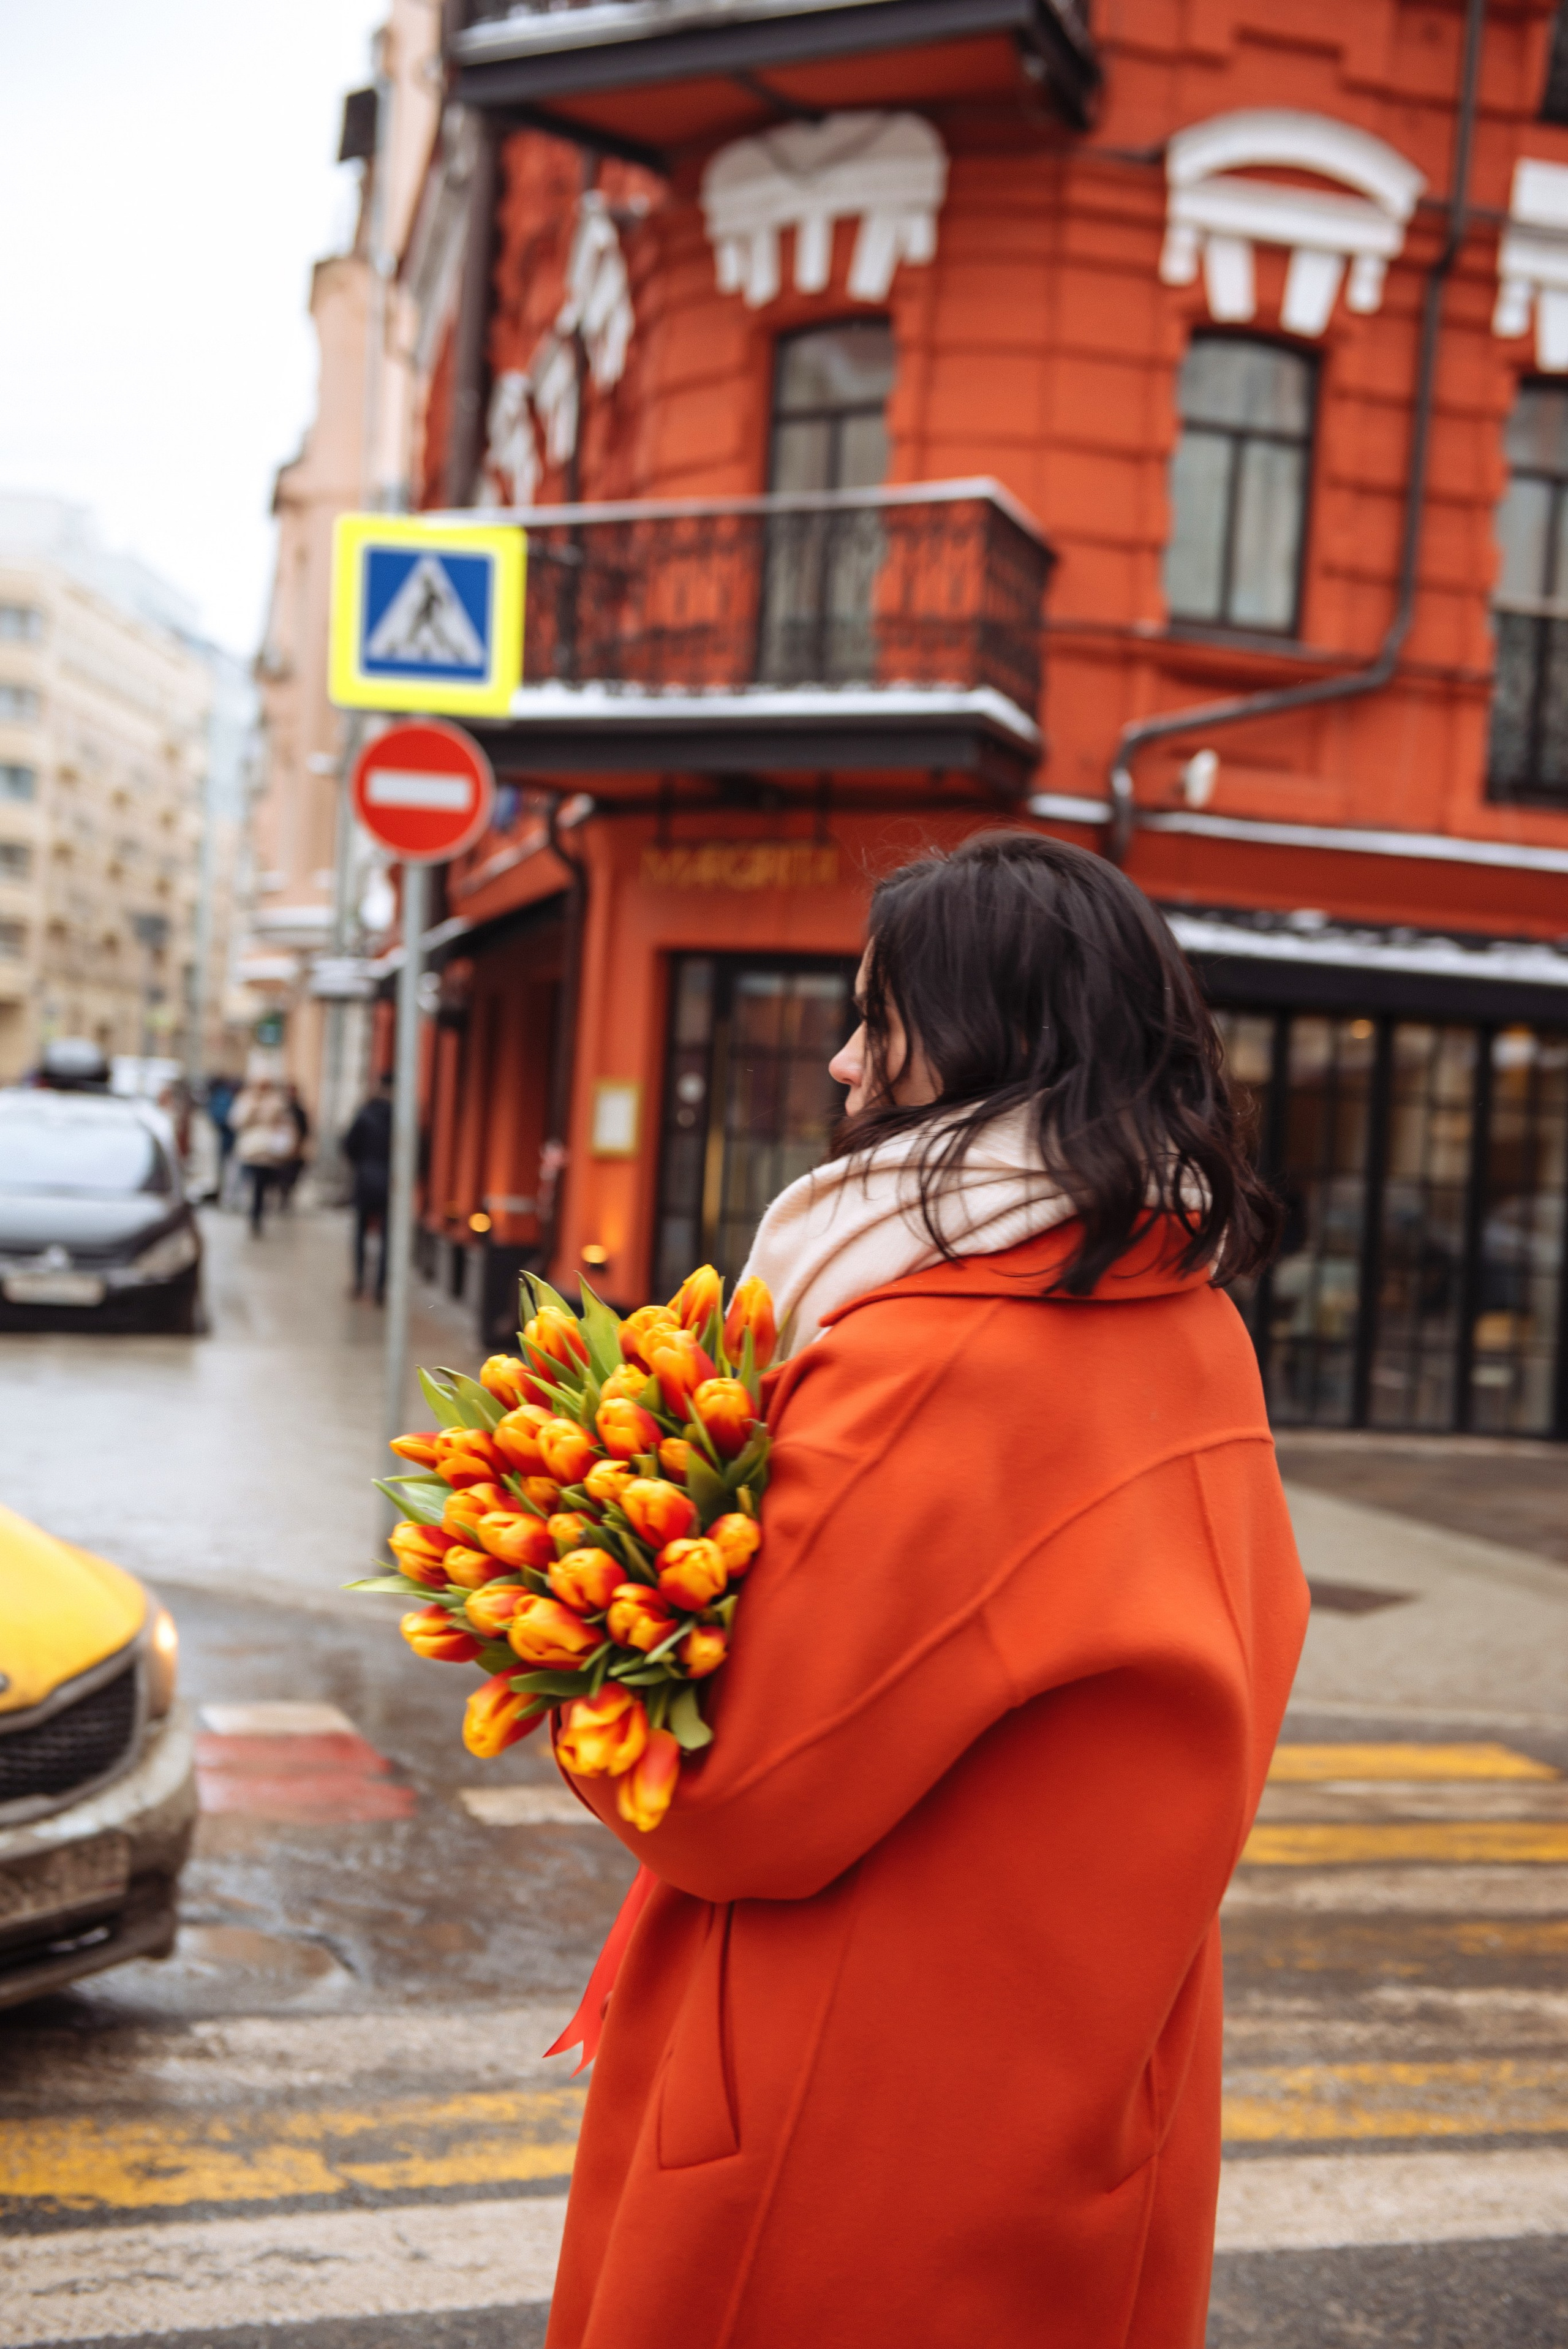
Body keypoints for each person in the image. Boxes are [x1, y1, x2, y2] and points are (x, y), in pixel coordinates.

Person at [548, 833, 1310, 2349]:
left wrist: (569, 1640)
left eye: (876, 1015)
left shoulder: (933, 1353)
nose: (841, 1063)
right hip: (1088, 2061)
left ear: (976, 1041)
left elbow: (738, 1791)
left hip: (858, 2108)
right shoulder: (1189, 1319)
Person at [342, 1071, 393, 1302]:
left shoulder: (366, 1113)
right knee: (387, 1238)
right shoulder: (404, 1116)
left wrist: (362, 1165)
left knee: (360, 1234)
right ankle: (380, 1288)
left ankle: (360, 1282)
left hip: (365, 1180)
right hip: (392, 1184)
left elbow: (348, 1145)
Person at [230, 1076, 296, 1237]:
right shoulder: (246, 1100)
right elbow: (236, 1122)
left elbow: (285, 1123)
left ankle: (258, 1214)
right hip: (250, 1152)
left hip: (268, 1153)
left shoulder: (277, 1102)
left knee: (263, 1187)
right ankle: (253, 1214)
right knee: (252, 1186)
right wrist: (252, 1110)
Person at [278, 1083, 312, 1208]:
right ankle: (283, 1195)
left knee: (291, 1174)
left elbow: (305, 1130)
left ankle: (286, 1196)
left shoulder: (299, 1111)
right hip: (281, 1148)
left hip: (294, 1149)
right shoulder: (281, 1108)